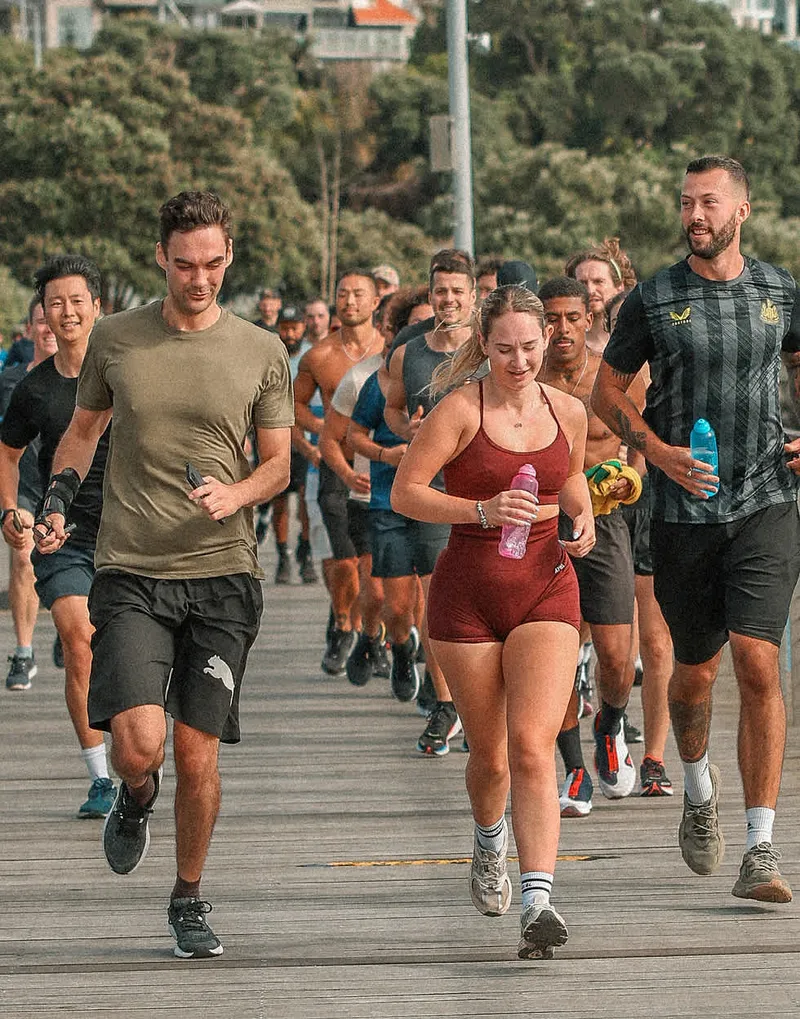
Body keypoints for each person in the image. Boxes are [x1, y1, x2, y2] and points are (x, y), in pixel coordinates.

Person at [34, 191, 293, 957]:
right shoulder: (118, 338)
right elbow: (82, 433)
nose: (199, 278)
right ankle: (134, 798)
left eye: (213, 263)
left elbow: (278, 465)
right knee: (140, 746)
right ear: (161, 259)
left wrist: (237, 491)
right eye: (185, 264)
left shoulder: (261, 349)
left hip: (222, 575)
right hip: (133, 567)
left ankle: (188, 897)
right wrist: (56, 502)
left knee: (196, 750)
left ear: (229, 257)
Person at [592, 155, 800, 902]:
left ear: (741, 209)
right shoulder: (655, 296)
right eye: (686, 203)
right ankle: (696, 784)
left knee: (758, 660)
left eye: (708, 202)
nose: (694, 216)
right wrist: (657, 453)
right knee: (694, 676)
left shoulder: (780, 289)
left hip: (768, 500)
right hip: (682, 514)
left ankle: (761, 846)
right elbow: (604, 391)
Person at [392, 284, 594, 958]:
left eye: (530, 347)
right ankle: (487, 842)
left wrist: (586, 516)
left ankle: (538, 898)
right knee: (491, 756)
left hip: (545, 587)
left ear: (546, 343)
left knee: (534, 742)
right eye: (504, 348)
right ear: (485, 343)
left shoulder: (567, 408)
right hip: (467, 597)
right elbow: (407, 493)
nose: (518, 360)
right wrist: (481, 510)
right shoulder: (458, 410)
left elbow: (572, 485)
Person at [0, 256, 115, 820]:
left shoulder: (127, 375)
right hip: (62, 533)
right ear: (41, 313)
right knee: (79, 642)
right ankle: (100, 776)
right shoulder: (35, 389)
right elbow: (8, 450)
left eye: (77, 301)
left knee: (130, 650)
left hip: (131, 535)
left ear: (98, 306)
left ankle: (139, 752)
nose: (65, 312)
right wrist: (9, 511)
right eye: (54, 303)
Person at [537, 277, 647, 814]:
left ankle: (610, 721)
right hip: (539, 525)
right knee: (552, 651)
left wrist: (634, 478)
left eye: (571, 317)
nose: (561, 328)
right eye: (551, 318)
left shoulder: (614, 376)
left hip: (604, 520)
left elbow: (639, 442)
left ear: (590, 318)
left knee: (616, 651)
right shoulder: (522, 379)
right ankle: (575, 769)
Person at [384, 253, 475, 738]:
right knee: (436, 592)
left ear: (473, 295)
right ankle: (445, 702)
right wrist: (409, 430)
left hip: (489, 488)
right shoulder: (409, 352)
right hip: (432, 489)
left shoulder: (489, 349)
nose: (449, 299)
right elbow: (394, 412)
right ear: (430, 293)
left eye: (458, 290)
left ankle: (480, 700)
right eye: (441, 291)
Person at [294, 270, 384, 675]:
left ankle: (374, 634)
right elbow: (293, 408)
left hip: (380, 466)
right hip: (336, 465)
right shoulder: (319, 356)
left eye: (358, 294)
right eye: (343, 294)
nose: (350, 301)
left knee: (374, 561)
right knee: (345, 560)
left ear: (376, 301)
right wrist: (324, 432)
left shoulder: (391, 350)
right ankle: (344, 623)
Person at [0, 297, 57, 690]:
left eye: (56, 320)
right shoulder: (10, 381)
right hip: (24, 486)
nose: (50, 328)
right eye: (42, 321)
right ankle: (23, 652)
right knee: (23, 556)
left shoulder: (91, 377)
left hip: (72, 491)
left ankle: (69, 630)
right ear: (30, 329)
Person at [268, 305, 317, 584]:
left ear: (303, 327)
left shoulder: (312, 356)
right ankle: (283, 555)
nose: (289, 333)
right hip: (274, 435)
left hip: (305, 437)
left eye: (294, 327)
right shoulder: (269, 352)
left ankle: (306, 550)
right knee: (279, 501)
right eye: (285, 328)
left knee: (306, 500)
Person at [565, 239, 635, 355]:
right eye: (582, 283)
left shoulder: (634, 340)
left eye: (598, 281)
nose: (590, 290)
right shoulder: (567, 345)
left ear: (619, 286)